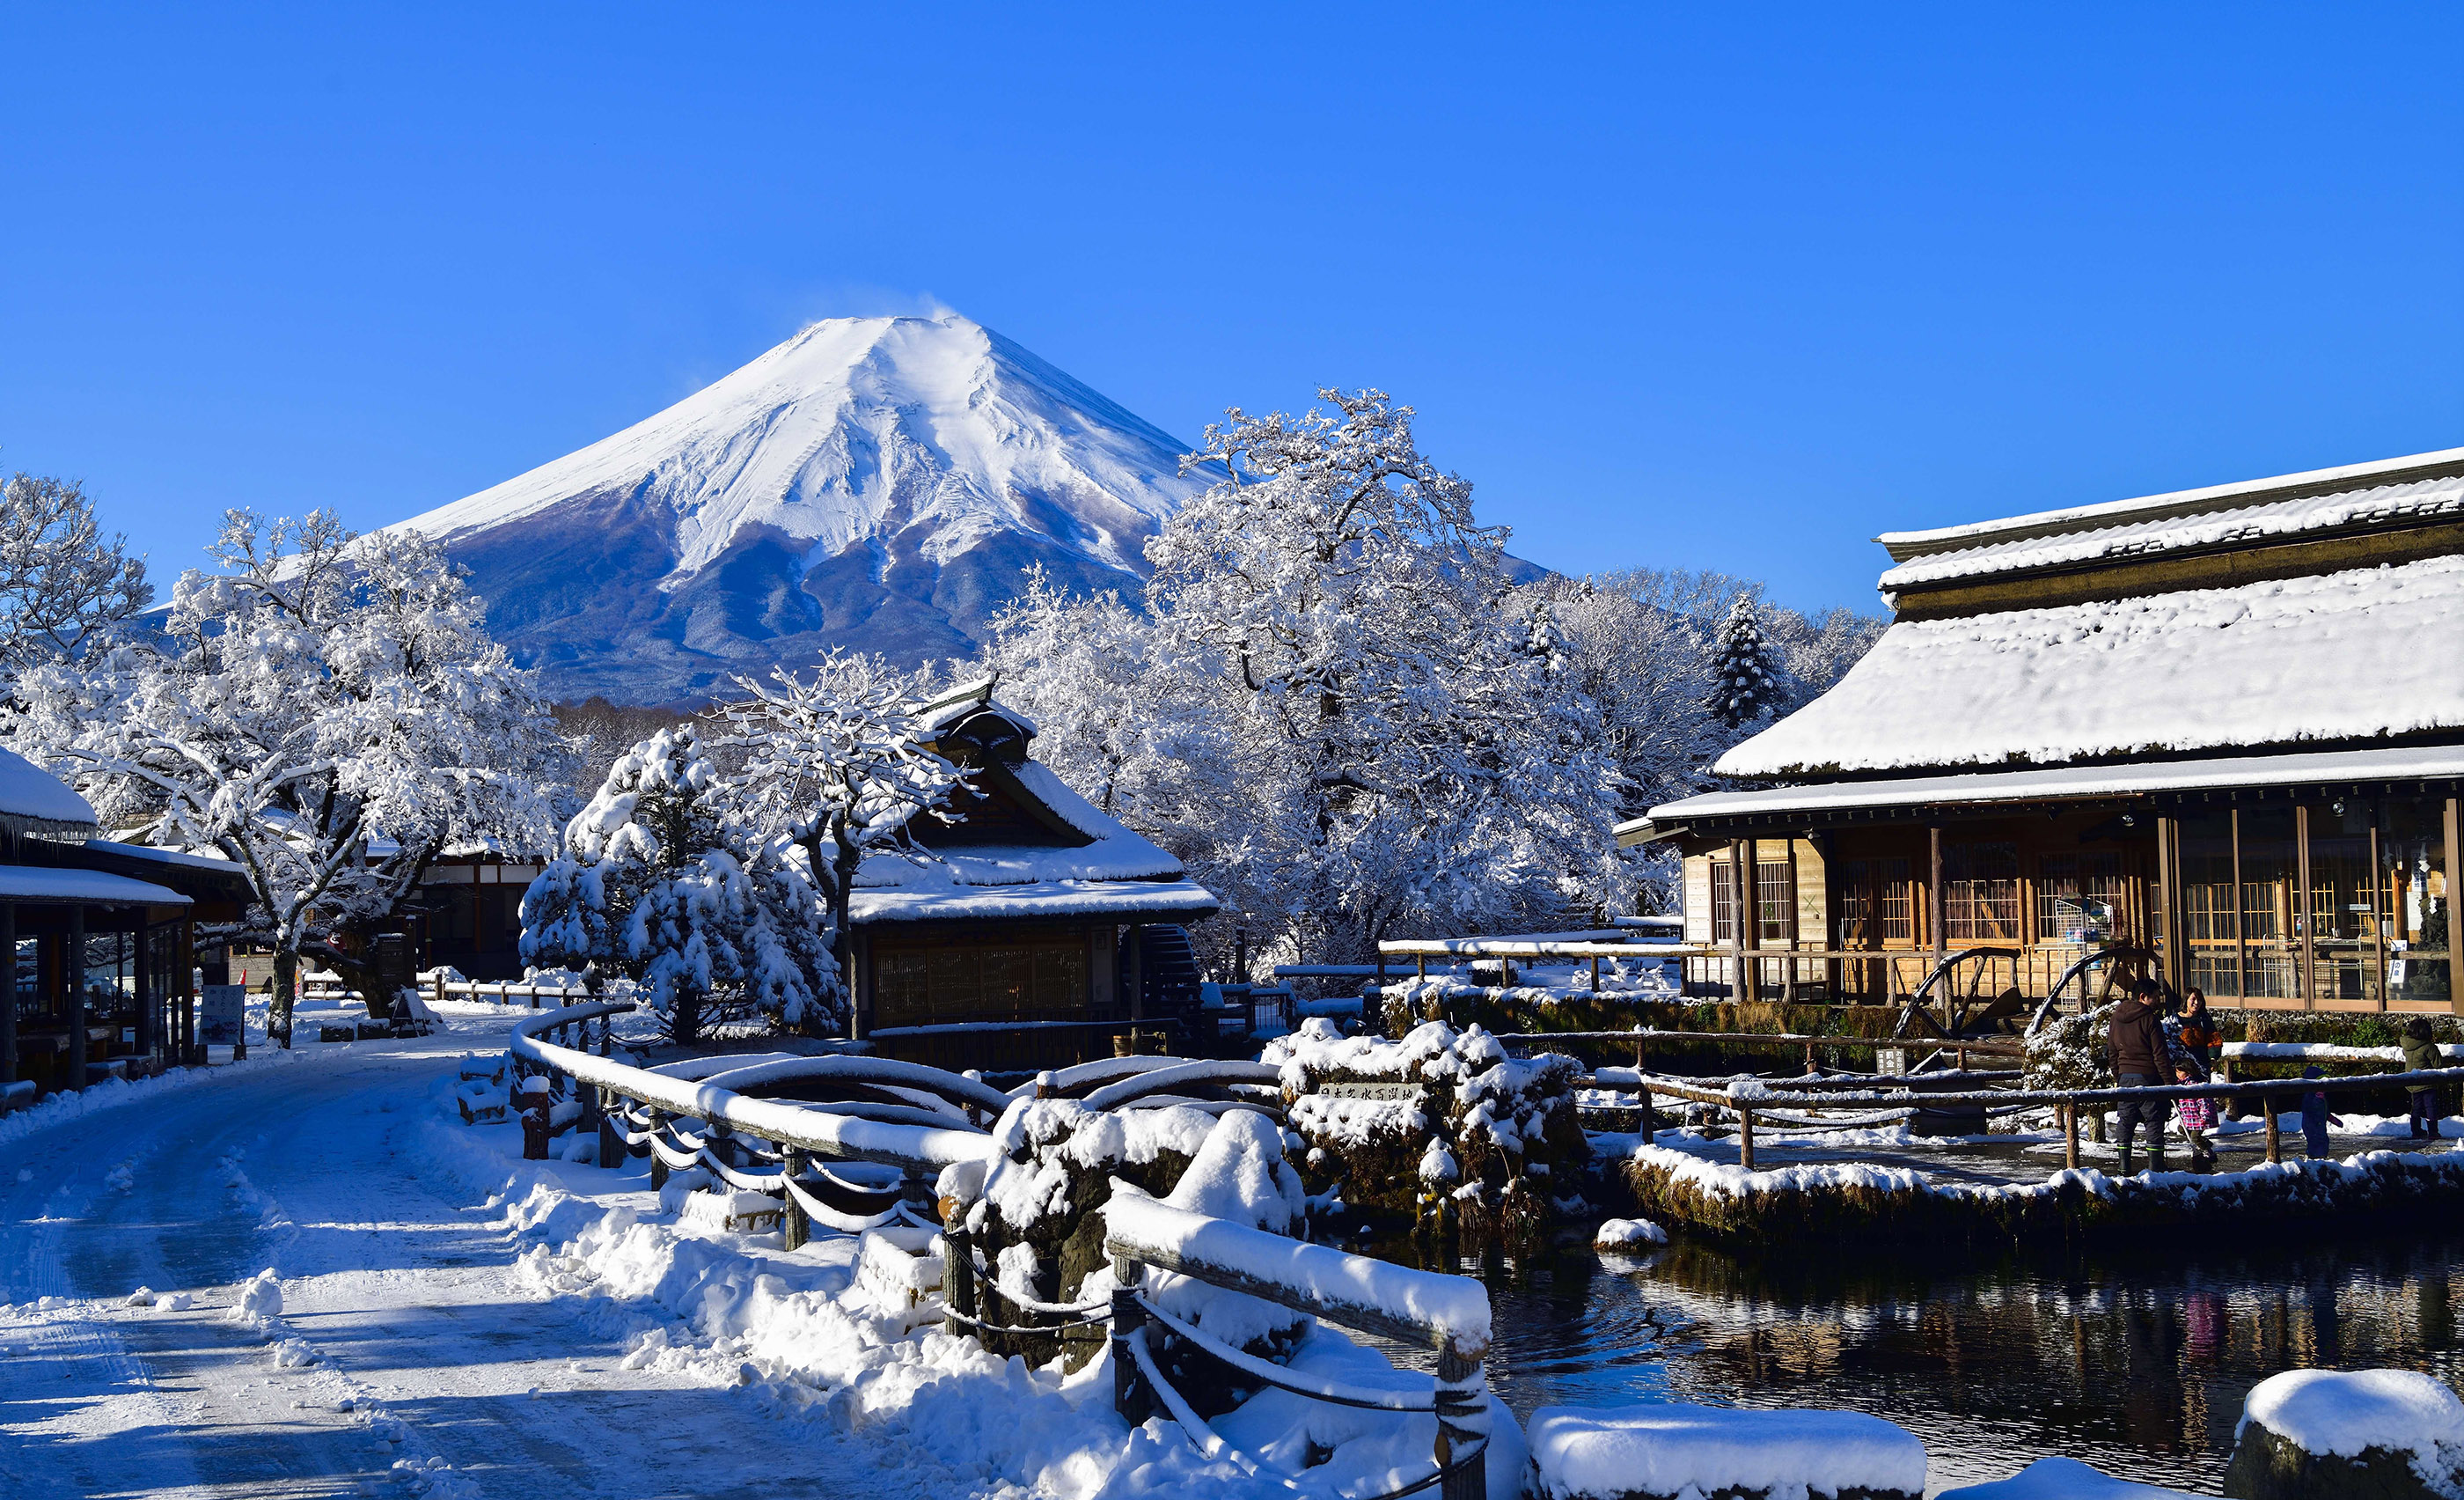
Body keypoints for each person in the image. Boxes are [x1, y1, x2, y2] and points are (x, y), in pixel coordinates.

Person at [2108, 980, 2177, 1174]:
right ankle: (2155, 1168)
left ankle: (2124, 1166)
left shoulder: (2116, 1018)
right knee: (2153, 1120)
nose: (2157, 1001)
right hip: (2147, 1075)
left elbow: (2112, 1050)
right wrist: (2169, 1083)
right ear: (2142, 997)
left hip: (2124, 1076)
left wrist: (2117, 1073)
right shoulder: (2150, 1019)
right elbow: (2160, 1054)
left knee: (2126, 1120)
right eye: (2154, 997)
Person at [2401, 1018, 2444, 1141]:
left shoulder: (2406, 1046)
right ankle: (2433, 1132)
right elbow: (2438, 1064)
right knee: (2430, 1107)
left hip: (2411, 1081)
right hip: (2427, 1082)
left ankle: (2416, 1131)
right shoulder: (2429, 1047)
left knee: (2416, 1107)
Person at [2300, 1064, 2344, 1159]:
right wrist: (2316, 1099)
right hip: (2311, 1125)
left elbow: (2325, 1111)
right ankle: (2313, 1158)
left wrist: (2333, 1119)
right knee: (2315, 1141)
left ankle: (2321, 1158)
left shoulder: (2322, 1098)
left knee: (2324, 1141)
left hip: (2320, 1125)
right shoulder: (2310, 1097)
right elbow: (2308, 1110)